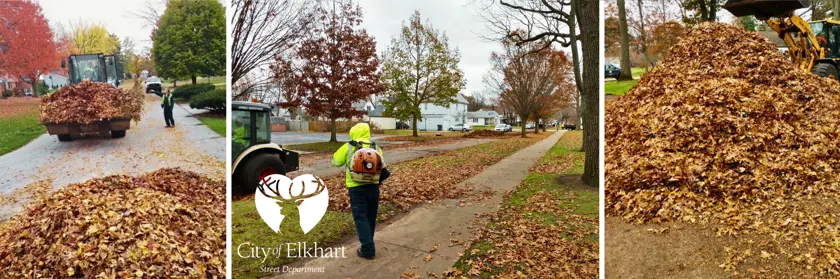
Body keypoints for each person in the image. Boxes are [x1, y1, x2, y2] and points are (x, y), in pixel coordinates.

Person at [331, 123, 389, 259]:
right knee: (370, 217)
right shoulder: (376, 148)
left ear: (353, 133)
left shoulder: (348, 146)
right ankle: (368, 242)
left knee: (360, 217)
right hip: (373, 187)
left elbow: (335, 162)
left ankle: (368, 249)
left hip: (356, 187)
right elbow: (381, 166)